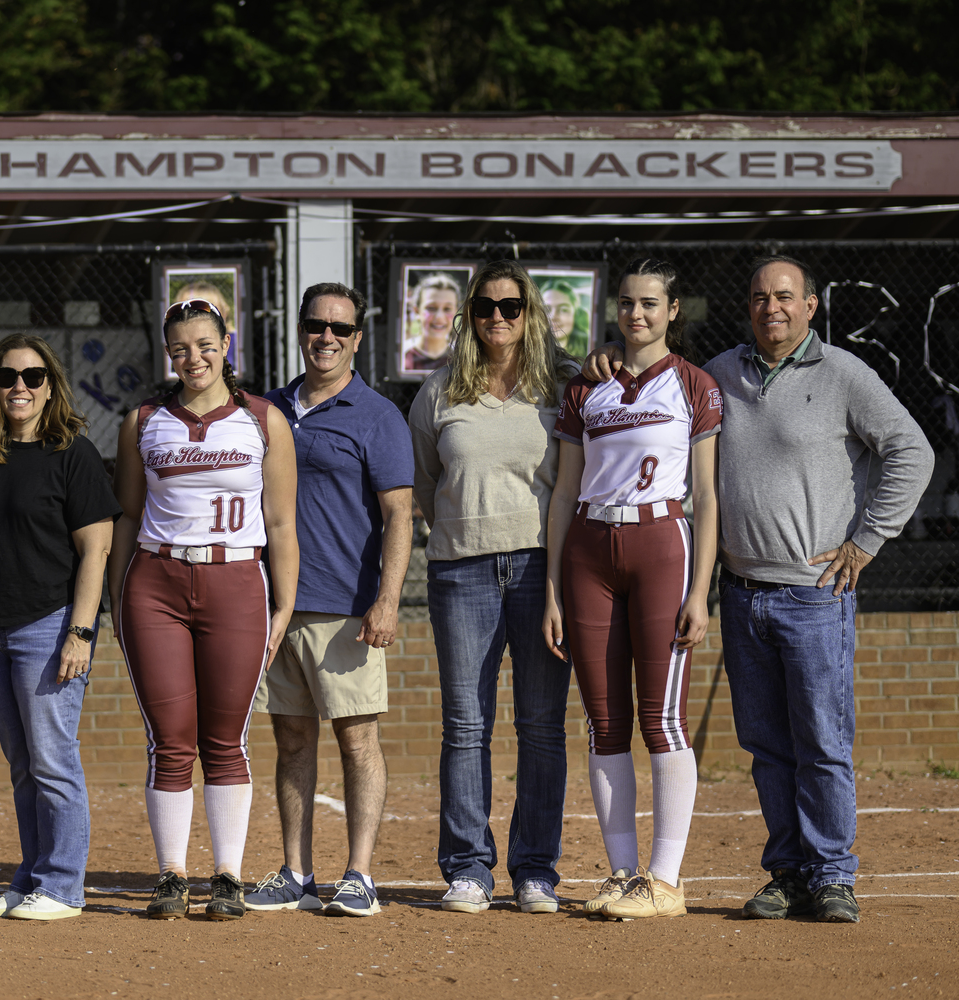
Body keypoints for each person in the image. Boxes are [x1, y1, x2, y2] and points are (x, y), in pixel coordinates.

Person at [584, 255, 932, 924]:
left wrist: (866, 542)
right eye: (758, 297)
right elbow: (653, 385)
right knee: (767, 746)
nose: (770, 307)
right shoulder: (718, 376)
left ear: (809, 307)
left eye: (784, 297)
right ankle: (789, 873)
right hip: (742, 592)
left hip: (814, 595)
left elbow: (910, 451)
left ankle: (832, 875)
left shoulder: (844, 376)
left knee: (822, 744)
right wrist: (610, 358)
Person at [108, 297, 298, 921]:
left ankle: (226, 877)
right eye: (181, 348)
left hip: (236, 579)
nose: (194, 357)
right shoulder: (143, 420)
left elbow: (281, 522)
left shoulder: (264, 418)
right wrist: (116, 598)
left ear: (227, 346)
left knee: (226, 740)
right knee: (169, 741)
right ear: (168, 353)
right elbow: (128, 515)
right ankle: (170, 876)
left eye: (205, 345)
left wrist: (283, 603)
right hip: (156, 584)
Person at [543, 258, 721, 921]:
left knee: (662, 718)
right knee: (603, 723)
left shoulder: (693, 385)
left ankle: (666, 879)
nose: (636, 313)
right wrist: (556, 591)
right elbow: (563, 490)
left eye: (650, 303)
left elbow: (705, 495)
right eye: (626, 302)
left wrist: (701, 590)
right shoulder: (585, 387)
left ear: (673, 310)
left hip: (661, 545)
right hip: (589, 546)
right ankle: (622, 874)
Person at [408, 260, 577, 917]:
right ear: (468, 315)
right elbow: (424, 480)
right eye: (485, 307)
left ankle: (535, 870)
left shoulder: (564, 386)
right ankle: (469, 869)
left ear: (529, 313)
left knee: (540, 726)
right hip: (461, 570)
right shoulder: (440, 390)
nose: (498, 319)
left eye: (511, 307)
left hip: (542, 570)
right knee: (466, 724)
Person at [246, 282, 412, 918]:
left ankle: (360, 876)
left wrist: (387, 600)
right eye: (316, 325)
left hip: (347, 608)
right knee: (290, 741)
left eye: (340, 329)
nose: (327, 338)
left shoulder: (377, 415)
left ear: (358, 339)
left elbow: (401, 515)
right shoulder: (268, 409)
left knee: (356, 741)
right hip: (276, 607)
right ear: (300, 329)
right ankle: (295, 872)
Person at [0, 333, 118, 921]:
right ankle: (32, 876)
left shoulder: (73, 453)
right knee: (23, 763)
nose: (20, 386)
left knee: (52, 758)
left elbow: (96, 551)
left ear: (51, 387)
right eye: (7, 377)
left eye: (33, 377)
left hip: (47, 627)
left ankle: (65, 885)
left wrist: (81, 632)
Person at [404, 272, 463, 373]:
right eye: (431, 308)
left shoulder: (462, 359)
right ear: (417, 310)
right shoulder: (404, 356)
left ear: (456, 312)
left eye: (447, 309)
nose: (439, 317)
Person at [540, 280, 589, 358]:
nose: (553, 317)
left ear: (575, 314)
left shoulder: (589, 351)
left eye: (563, 310)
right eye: (547, 309)